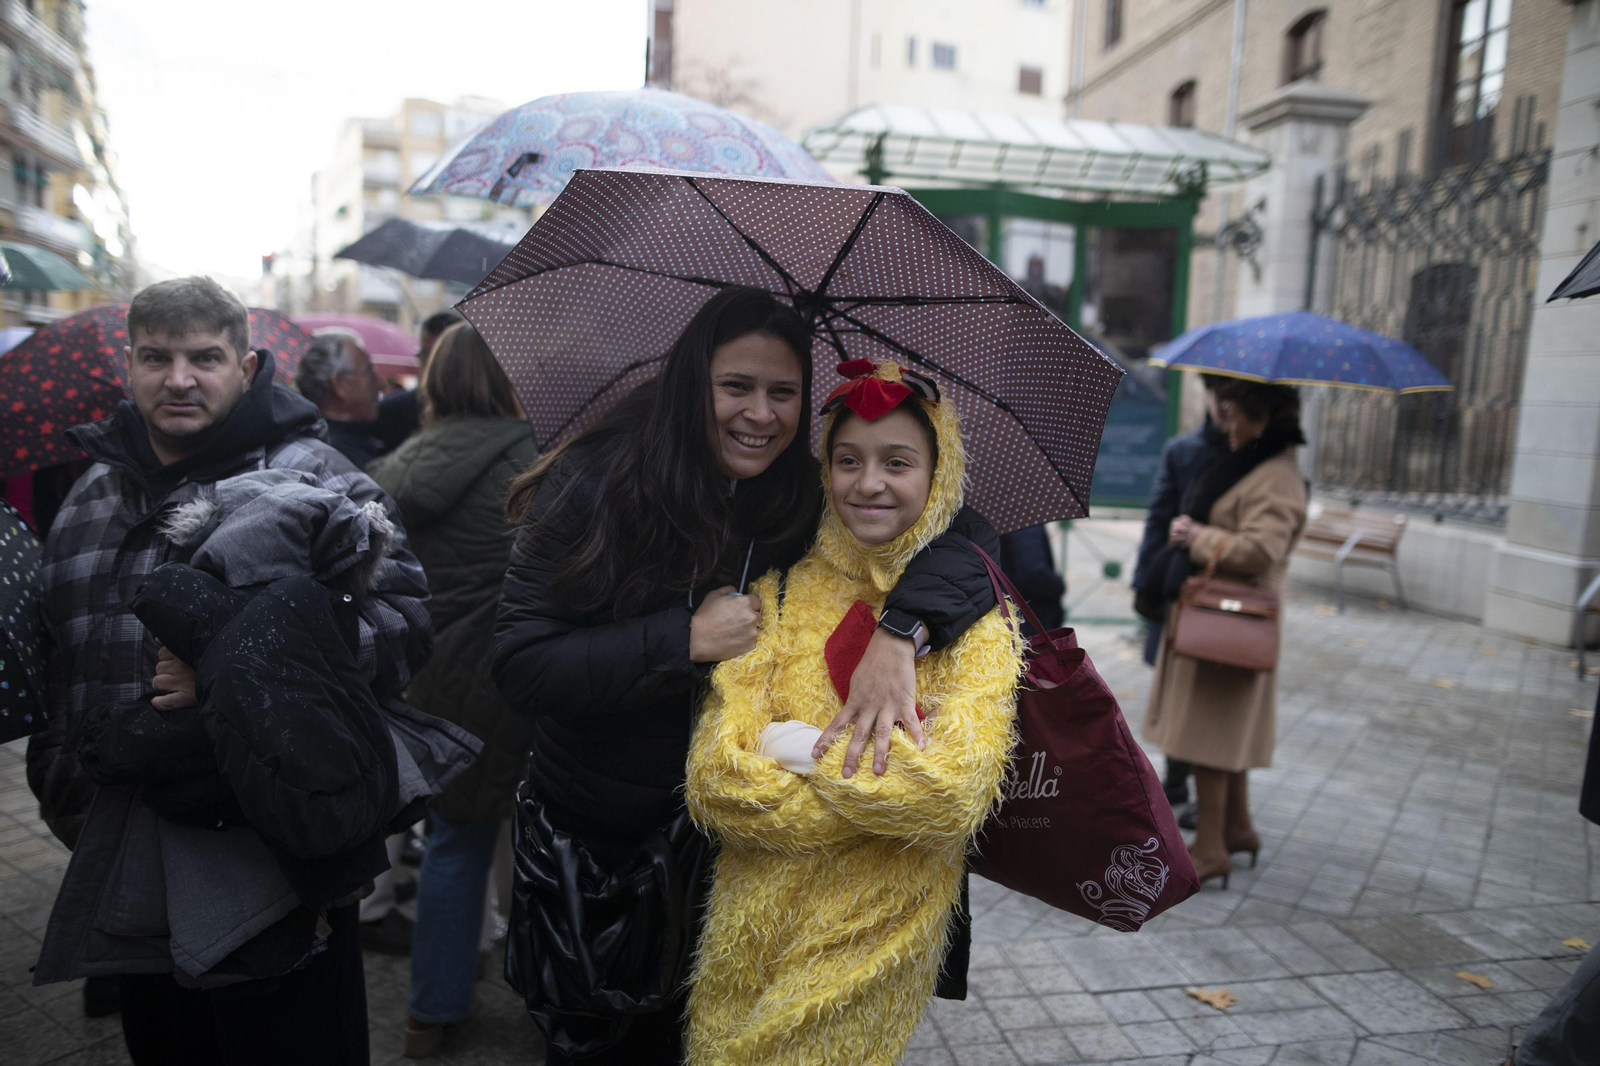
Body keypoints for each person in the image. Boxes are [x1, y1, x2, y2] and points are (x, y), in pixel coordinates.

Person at [492, 286, 1000, 1064]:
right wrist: (683, 638)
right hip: (601, 851)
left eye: (782, 393)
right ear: (693, 383)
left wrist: (902, 632)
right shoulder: (597, 480)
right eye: (736, 386)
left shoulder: (795, 488)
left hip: (727, 854)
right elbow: (522, 666)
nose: (759, 414)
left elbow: (963, 535)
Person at [25, 276, 433, 1065]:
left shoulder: (316, 476)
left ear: (245, 368)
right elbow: (59, 655)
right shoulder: (90, 494)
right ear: (129, 365)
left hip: (278, 860)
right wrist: (61, 776)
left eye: (204, 358)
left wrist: (240, 668)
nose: (179, 379)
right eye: (157, 357)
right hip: (129, 852)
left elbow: (407, 624)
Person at [684, 361, 1022, 1066]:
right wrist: (870, 799)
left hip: (877, 924)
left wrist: (789, 746)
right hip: (747, 922)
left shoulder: (977, 622)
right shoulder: (777, 591)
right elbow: (716, 779)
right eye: (848, 460)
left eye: (897, 462)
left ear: (938, 473)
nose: (868, 484)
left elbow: (951, 794)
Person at [367, 322, 539, 1058]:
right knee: (517, 841)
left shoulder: (398, 462)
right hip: (505, 677)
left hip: (424, 678)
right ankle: (535, 994)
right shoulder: (532, 457)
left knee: (450, 838)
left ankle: (429, 1016)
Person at [1140, 378, 1307, 888]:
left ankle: (1210, 847)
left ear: (1263, 417)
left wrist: (1197, 536)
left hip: (1230, 620)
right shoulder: (1257, 462)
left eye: (1235, 413)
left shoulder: (1276, 475)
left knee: (1210, 737)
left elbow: (1260, 550)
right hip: (1220, 616)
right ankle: (1237, 827)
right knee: (1222, 729)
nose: (1225, 423)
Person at [1132, 373, 1229, 811]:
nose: (1222, 404)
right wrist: (1145, 584)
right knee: (1173, 683)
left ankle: (1207, 789)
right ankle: (1176, 779)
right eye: (1216, 392)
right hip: (1178, 585)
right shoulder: (1184, 450)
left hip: (1222, 585)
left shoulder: (1257, 458)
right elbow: (1159, 517)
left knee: (1213, 689)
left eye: (1230, 395)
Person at [296, 328, 386, 469]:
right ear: (340, 384)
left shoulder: (309, 439)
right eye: (370, 372)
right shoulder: (339, 457)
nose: (381, 385)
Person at [376, 309, 463, 451]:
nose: (426, 363)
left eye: (430, 354)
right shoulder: (394, 410)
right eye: (423, 354)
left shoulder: (394, 409)